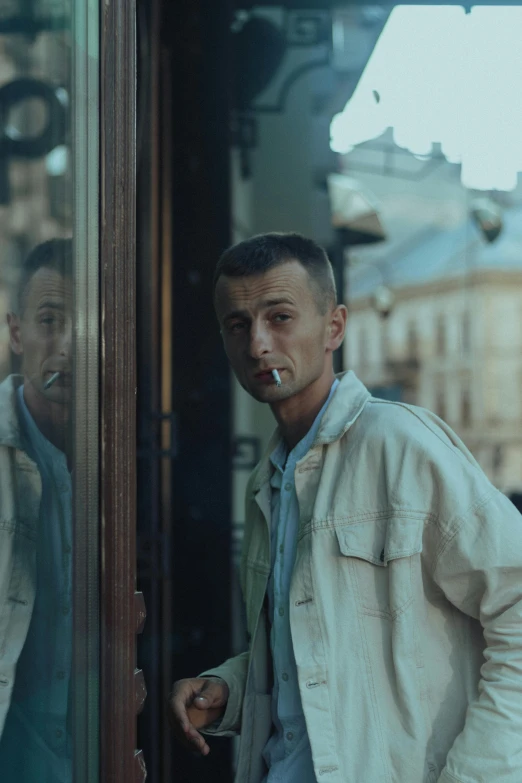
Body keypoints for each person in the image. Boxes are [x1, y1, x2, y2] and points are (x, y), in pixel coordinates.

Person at [169, 232, 522, 783]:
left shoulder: (399, 445)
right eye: (238, 325)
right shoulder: (268, 483)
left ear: (334, 327)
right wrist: (231, 690)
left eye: (279, 317)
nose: (258, 344)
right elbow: (314, 649)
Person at [0, 238, 73, 783]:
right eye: (50, 320)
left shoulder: (120, 454)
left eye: (85, 323)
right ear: (16, 331)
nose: (67, 346)